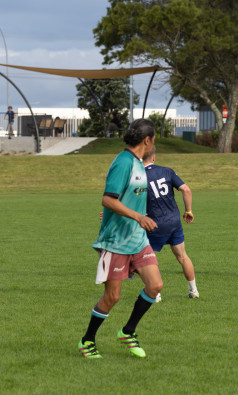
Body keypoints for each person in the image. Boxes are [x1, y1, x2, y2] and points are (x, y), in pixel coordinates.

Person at [78, 118, 161, 359]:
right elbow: (108, 199)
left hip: (138, 239)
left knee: (155, 286)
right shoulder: (123, 162)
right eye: (154, 138)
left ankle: (128, 331)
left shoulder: (138, 163)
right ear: (147, 140)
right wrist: (138, 217)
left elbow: (127, 198)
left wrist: (140, 217)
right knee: (112, 297)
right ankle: (87, 340)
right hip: (115, 241)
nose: (155, 142)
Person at [143, 145, 199, 300]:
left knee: (149, 260)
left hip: (154, 224)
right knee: (182, 257)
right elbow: (186, 190)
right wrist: (188, 211)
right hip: (174, 222)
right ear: (154, 157)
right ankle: (193, 291)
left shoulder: (138, 177)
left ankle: (156, 294)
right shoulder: (167, 171)